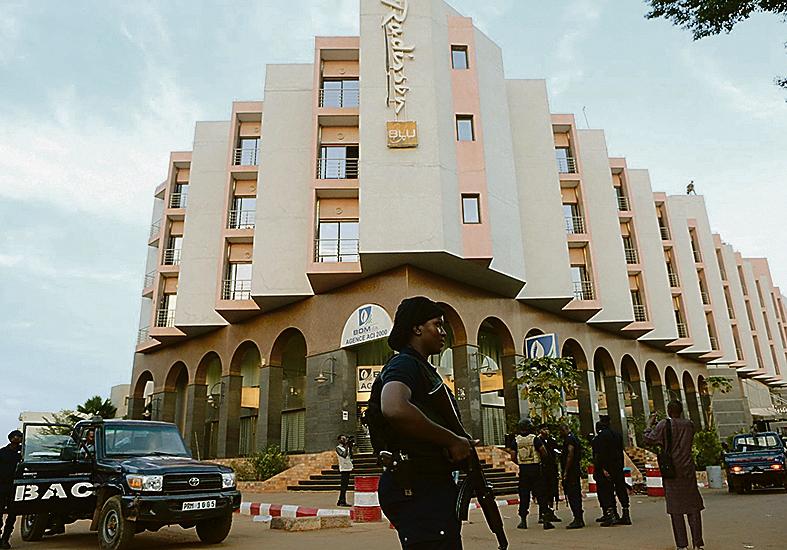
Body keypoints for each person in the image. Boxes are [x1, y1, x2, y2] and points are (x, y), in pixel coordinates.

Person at [372, 296, 473, 550]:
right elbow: (394, 407)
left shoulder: (421, 368)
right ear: (417, 328)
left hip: (428, 485)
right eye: (437, 324)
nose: (443, 332)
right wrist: (451, 440)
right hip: (418, 487)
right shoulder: (404, 363)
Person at [644, 400, 705, 550]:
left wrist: (649, 425)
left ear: (669, 411)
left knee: (676, 508)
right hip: (687, 469)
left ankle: (682, 545)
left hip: (672, 469)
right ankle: (697, 543)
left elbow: (649, 439)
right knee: (693, 506)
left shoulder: (664, 424)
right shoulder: (689, 425)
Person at [509, 420, 554, 530]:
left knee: (524, 496)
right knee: (541, 495)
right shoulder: (534, 439)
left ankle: (523, 521)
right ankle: (546, 520)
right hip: (536, 469)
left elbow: (513, 457)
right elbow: (544, 452)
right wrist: (541, 461)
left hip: (523, 471)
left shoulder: (516, 440)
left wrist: (521, 463)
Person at [593, 416, 631, 526]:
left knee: (607, 492)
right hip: (618, 467)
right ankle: (626, 514)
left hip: (607, 468)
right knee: (621, 489)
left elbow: (600, 455)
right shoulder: (617, 435)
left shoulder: (600, 437)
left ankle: (612, 515)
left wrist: (603, 468)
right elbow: (621, 451)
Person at [559, 423, 584, 529]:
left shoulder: (569, 440)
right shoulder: (574, 438)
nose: (560, 434)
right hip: (575, 470)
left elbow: (570, 454)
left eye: (561, 431)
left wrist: (565, 471)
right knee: (575, 494)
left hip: (571, 472)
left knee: (573, 495)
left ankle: (578, 518)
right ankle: (578, 517)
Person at [0, 430, 23, 549]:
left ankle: (5, 539)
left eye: (20, 436)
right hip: (2, 486)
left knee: (12, 514)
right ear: (10, 438)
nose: (17, 438)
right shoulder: (2, 452)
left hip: (16, 487)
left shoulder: (23, 453)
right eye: (15, 436)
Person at [537, 424, 561, 524]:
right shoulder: (537, 441)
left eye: (547, 429)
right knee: (543, 493)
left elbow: (557, 452)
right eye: (544, 429)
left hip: (552, 469)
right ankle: (542, 514)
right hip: (542, 470)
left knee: (552, 491)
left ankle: (551, 512)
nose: (546, 431)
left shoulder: (552, 440)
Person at [335, 435, 353, 507]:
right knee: (343, 486)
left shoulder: (346, 447)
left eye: (345, 439)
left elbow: (350, 456)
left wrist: (350, 447)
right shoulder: (338, 448)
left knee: (345, 485)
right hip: (343, 468)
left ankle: (340, 501)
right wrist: (347, 446)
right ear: (339, 440)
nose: (344, 440)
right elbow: (344, 455)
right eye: (343, 439)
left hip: (348, 467)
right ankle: (342, 501)